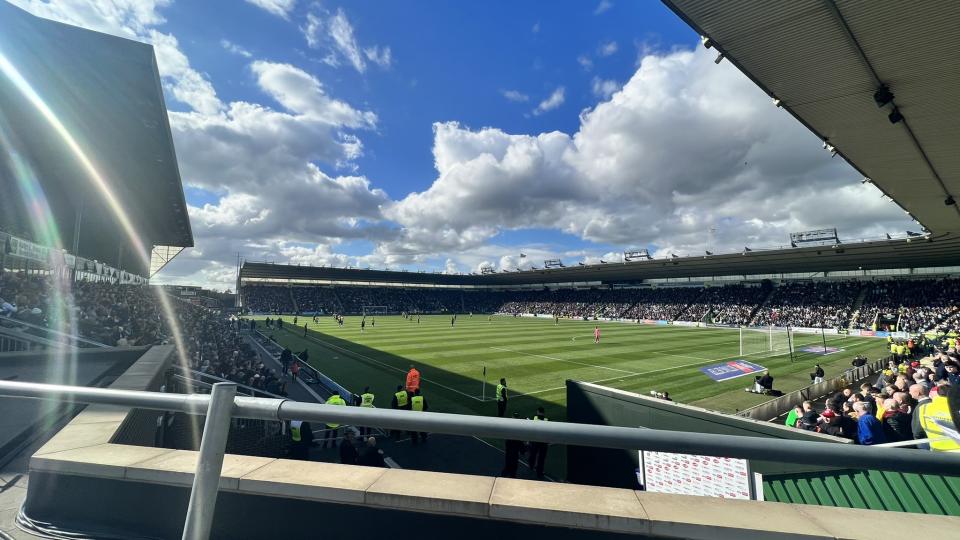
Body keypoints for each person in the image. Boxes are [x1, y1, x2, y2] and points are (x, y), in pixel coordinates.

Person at [501, 412, 524, 478]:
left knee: (508, 466)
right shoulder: (518, 427)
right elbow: (519, 441)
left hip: (510, 449)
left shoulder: (510, 425)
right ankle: (511, 477)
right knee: (512, 467)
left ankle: (504, 477)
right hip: (514, 450)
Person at [529, 407, 549, 479]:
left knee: (533, 454)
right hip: (543, 442)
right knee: (541, 458)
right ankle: (539, 472)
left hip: (535, 440)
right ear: (543, 412)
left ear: (538, 412)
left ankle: (531, 465)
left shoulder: (534, 418)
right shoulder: (547, 420)